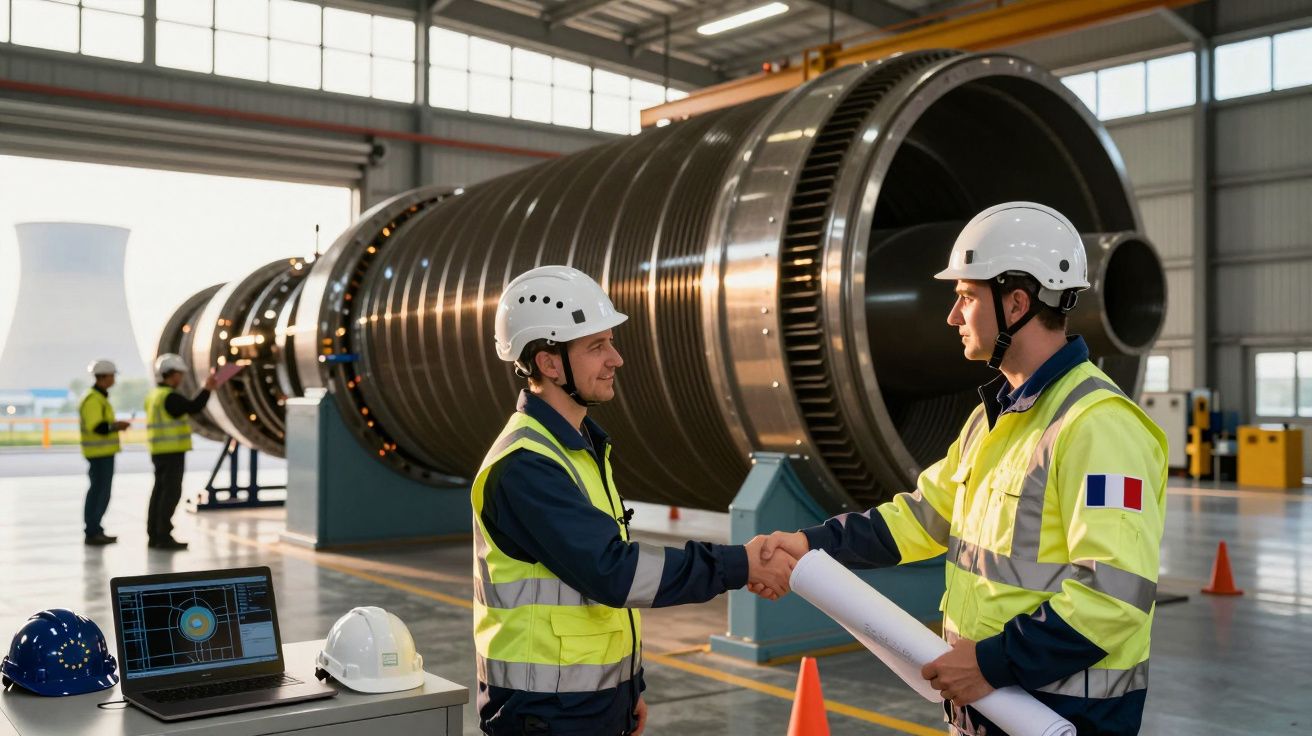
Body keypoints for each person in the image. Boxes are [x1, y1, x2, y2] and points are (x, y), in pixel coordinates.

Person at [756, 202, 1168, 735]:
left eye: (966, 297)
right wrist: (811, 545)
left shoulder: (1098, 426)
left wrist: (990, 663)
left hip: (1061, 716)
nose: (953, 317)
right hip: (989, 705)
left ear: (1017, 303)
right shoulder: (991, 418)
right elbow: (923, 517)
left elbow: (1114, 596)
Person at [474, 265, 795, 736]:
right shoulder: (526, 465)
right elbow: (615, 573)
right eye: (596, 346)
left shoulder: (577, 446)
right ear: (549, 362)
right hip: (544, 715)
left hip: (587, 706)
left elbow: (588, 593)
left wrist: (627, 689)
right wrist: (740, 564)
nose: (616, 359)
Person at [143, 353, 215, 551]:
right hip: (171, 452)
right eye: (180, 374)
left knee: (158, 493)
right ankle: (164, 536)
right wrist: (207, 389)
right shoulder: (170, 397)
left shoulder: (154, 395)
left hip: (159, 452)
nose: (181, 378)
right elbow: (193, 407)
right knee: (170, 494)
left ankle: (154, 535)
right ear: (172, 375)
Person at [79, 359, 132, 546]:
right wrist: (117, 426)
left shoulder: (100, 397)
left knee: (101, 491)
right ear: (104, 377)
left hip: (103, 453)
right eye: (112, 375)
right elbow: (98, 427)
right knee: (99, 492)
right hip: (99, 454)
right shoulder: (93, 399)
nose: (114, 379)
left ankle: (96, 529)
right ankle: (92, 531)